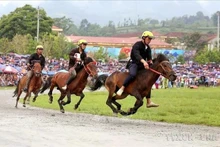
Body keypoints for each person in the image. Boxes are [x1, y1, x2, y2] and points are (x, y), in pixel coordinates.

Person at [116, 31, 159, 108]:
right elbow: (137, 55)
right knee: (132, 74)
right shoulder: (137, 45)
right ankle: (122, 88)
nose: (150, 40)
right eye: (149, 38)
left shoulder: (148, 48)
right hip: (134, 64)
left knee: (148, 81)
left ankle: (149, 101)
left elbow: (149, 59)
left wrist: (150, 63)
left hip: (142, 65)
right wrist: (144, 62)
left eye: (150, 39)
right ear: (144, 37)